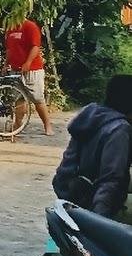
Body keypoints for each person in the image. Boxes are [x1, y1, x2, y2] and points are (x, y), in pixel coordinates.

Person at [53, 74, 132, 218]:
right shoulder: (120, 129)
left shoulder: (91, 118)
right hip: (94, 206)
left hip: (70, 196)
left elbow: (65, 167)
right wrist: (99, 221)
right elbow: (111, 179)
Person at [5, 17, 54, 136]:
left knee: (37, 99)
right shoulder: (10, 29)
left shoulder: (30, 26)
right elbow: (9, 49)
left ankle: (47, 126)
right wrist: (6, 64)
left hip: (33, 70)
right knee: (18, 99)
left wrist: (28, 62)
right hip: (15, 69)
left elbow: (35, 47)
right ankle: (17, 125)